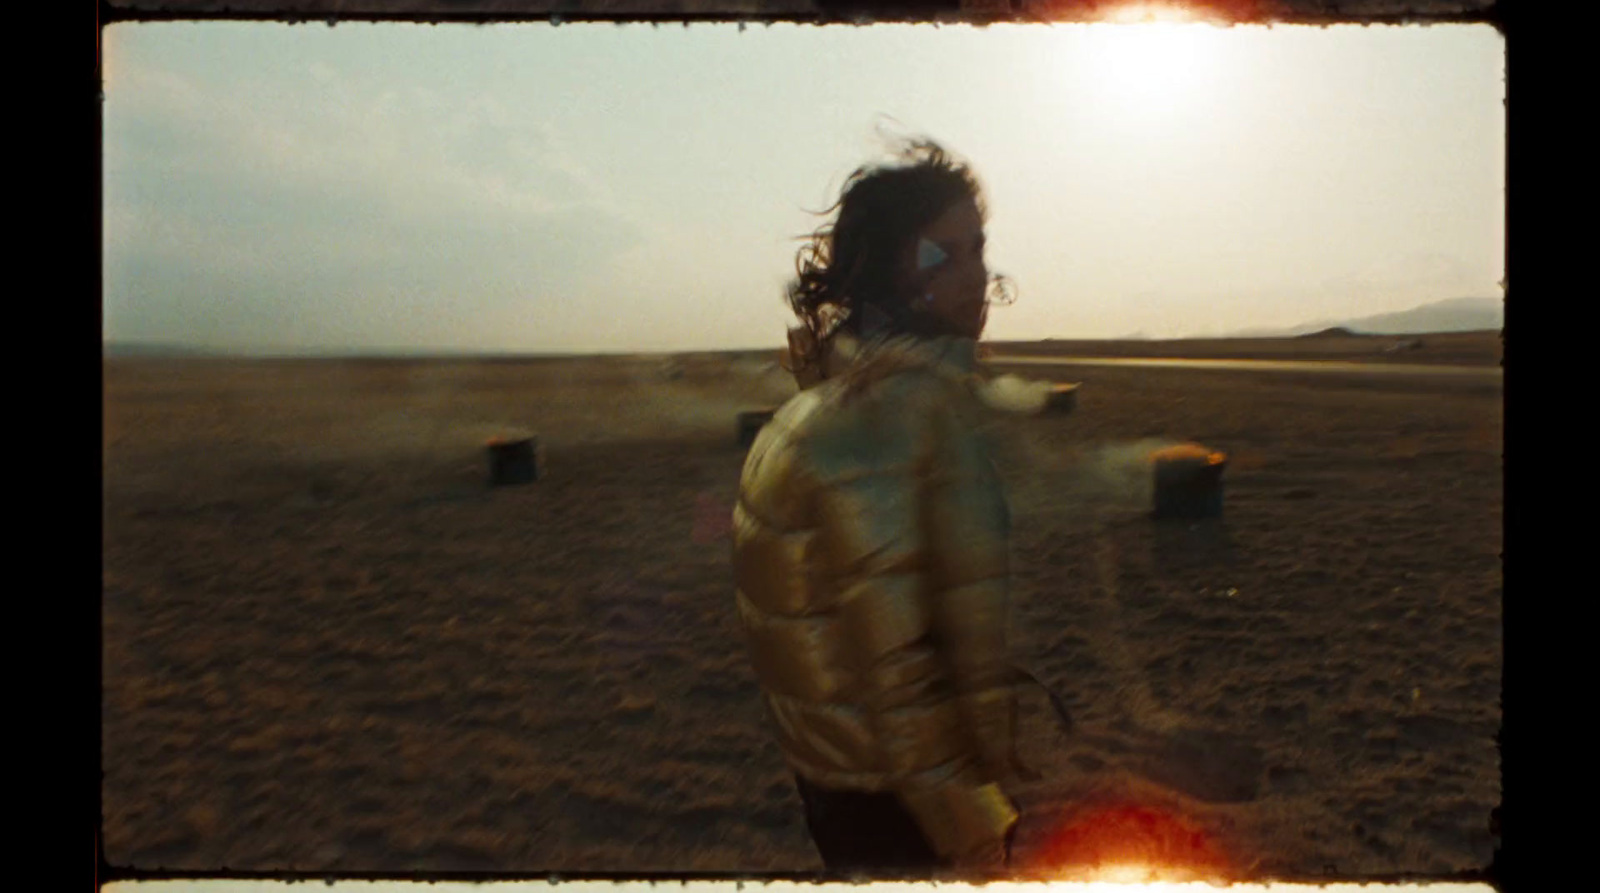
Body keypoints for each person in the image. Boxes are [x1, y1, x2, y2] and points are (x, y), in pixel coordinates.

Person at [731, 139, 1028, 875]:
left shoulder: (821, 408)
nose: (972, 278)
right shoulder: (898, 421)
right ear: (885, 274)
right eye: (939, 256)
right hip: (899, 803)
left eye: (976, 249)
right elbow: (900, 665)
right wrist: (973, 827)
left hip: (836, 774)